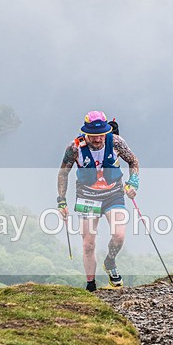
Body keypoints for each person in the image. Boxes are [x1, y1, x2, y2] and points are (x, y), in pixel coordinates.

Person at [57, 110, 140, 292]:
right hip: (87, 196)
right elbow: (63, 172)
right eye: (93, 136)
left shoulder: (116, 142)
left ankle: (110, 261)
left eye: (101, 134)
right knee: (88, 243)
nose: (97, 139)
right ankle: (91, 286)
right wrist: (61, 201)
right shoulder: (75, 147)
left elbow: (133, 161)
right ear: (86, 133)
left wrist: (133, 183)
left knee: (119, 235)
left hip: (113, 194)